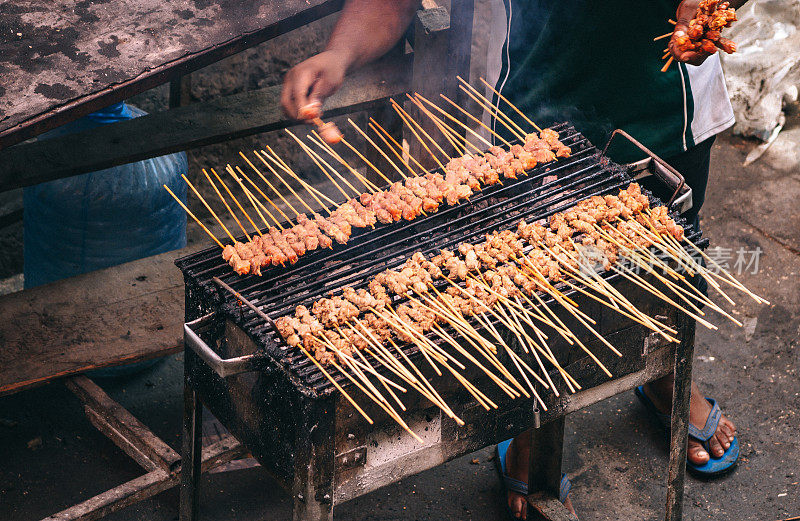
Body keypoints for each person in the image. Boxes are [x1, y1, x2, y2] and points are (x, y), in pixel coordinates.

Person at [282, 1, 744, 518]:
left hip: (669, 102)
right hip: (539, 101)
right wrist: (339, 53)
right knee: (536, 286)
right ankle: (532, 419)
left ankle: (662, 374)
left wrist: (708, 7)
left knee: (665, 266)